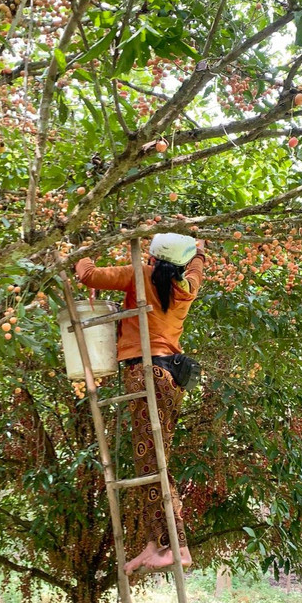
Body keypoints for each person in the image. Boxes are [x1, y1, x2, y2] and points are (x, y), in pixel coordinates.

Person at [75, 234, 205, 575]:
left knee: (153, 465)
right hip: (173, 378)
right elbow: (196, 266)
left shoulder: (139, 274)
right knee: (152, 461)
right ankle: (156, 544)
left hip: (147, 375)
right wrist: (199, 251)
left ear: (150, 257)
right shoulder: (188, 286)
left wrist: (78, 253)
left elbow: (88, 275)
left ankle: (177, 547)